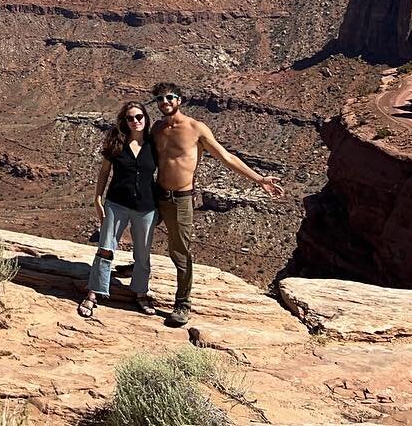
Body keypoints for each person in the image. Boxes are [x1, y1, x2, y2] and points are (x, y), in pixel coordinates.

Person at [149, 80, 285, 327]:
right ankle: (137, 272)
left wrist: (259, 179)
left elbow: (226, 156)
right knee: (139, 233)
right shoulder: (157, 128)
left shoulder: (196, 128)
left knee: (179, 251)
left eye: (169, 97)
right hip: (156, 194)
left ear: (179, 100)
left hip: (180, 199)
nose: (164, 102)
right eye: (159, 99)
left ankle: (182, 303)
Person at [78, 101, 158, 319]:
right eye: (130, 118)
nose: (135, 121)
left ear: (146, 118)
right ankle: (94, 291)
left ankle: (140, 292)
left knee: (142, 253)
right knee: (105, 248)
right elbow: (104, 172)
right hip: (116, 203)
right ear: (124, 121)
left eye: (139, 117)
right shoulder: (116, 142)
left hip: (146, 206)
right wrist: (97, 199)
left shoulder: (154, 144)